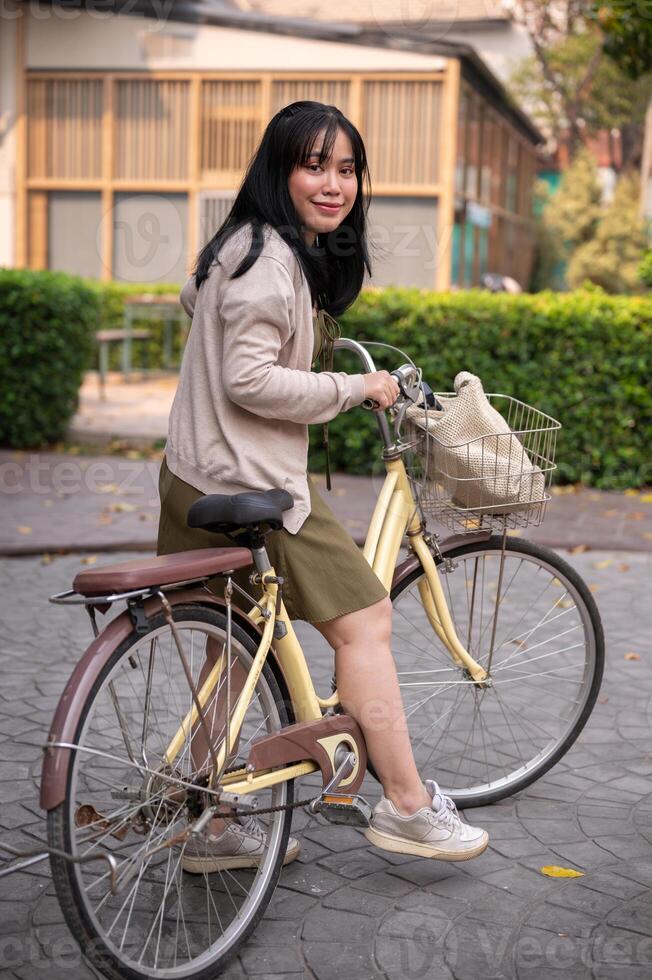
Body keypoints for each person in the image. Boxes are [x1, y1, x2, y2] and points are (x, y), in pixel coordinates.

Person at [157, 100, 488, 873]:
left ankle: (211, 827)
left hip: (188, 478)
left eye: (346, 169)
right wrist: (351, 386)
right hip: (252, 487)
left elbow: (196, 305)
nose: (334, 184)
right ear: (281, 168)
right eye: (315, 165)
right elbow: (250, 381)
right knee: (367, 619)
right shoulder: (272, 261)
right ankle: (408, 806)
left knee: (232, 655)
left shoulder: (235, 245)